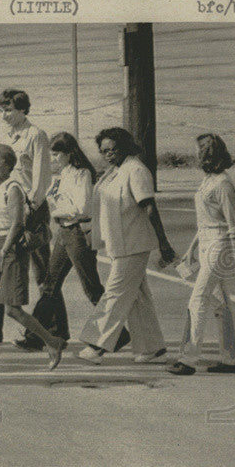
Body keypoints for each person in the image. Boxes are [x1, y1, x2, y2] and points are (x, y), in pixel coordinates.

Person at [77, 127, 177, 365]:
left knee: (115, 292)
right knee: (136, 297)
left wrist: (164, 244)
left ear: (125, 147)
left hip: (134, 244)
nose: (109, 154)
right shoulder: (113, 172)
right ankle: (153, 348)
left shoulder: (136, 170)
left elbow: (150, 208)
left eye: (113, 149)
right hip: (117, 244)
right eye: (104, 151)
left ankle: (97, 345)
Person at [29, 132, 130, 351]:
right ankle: (36, 335)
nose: (53, 159)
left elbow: (83, 209)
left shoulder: (82, 174)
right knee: (49, 285)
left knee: (92, 289)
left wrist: (58, 213)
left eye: (56, 154)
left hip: (78, 235)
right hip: (64, 234)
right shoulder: (63, 174)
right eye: (51, 155)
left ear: (69, 153)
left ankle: (119, 333)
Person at [0, 144, 66, 373]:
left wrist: (2, 253)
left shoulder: (13, 188)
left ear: (9, 166)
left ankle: (52, 342)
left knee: (13, 308)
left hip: (9, 249)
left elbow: (17, 224)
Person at [168, 134, 235, 376]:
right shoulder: (208, 181)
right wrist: (191, 250)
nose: (195, 156)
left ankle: (189, 359)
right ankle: (231, 359)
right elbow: (203, 223)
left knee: (197, 299)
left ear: (206, 154)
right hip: (206, 242)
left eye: (198, 152)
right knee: (221, 303)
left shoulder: (222, 184)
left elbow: (231, 223)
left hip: (219, 244)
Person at [0, 89, 57, 348]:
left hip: (32, 208)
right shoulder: (7, 137)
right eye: (2, 110)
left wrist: (32, 206)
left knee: (42, 273)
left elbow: (42, 176)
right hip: (13, 205)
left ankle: (48, 332)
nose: (5, 115)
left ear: (22, 109)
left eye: (9, 110)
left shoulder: (35, 135)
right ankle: (53, 329)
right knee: (8, 264)